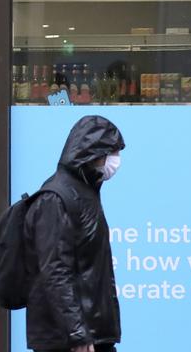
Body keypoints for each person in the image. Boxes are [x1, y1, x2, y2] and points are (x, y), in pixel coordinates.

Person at [24, 115, 125, 352]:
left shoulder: (84, 191)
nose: (116, 160)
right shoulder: (56, 197)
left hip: (92, 334)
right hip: (68, 340)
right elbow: (55, 271)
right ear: (93, 153)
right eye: (112, 152)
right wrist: (77, 333)